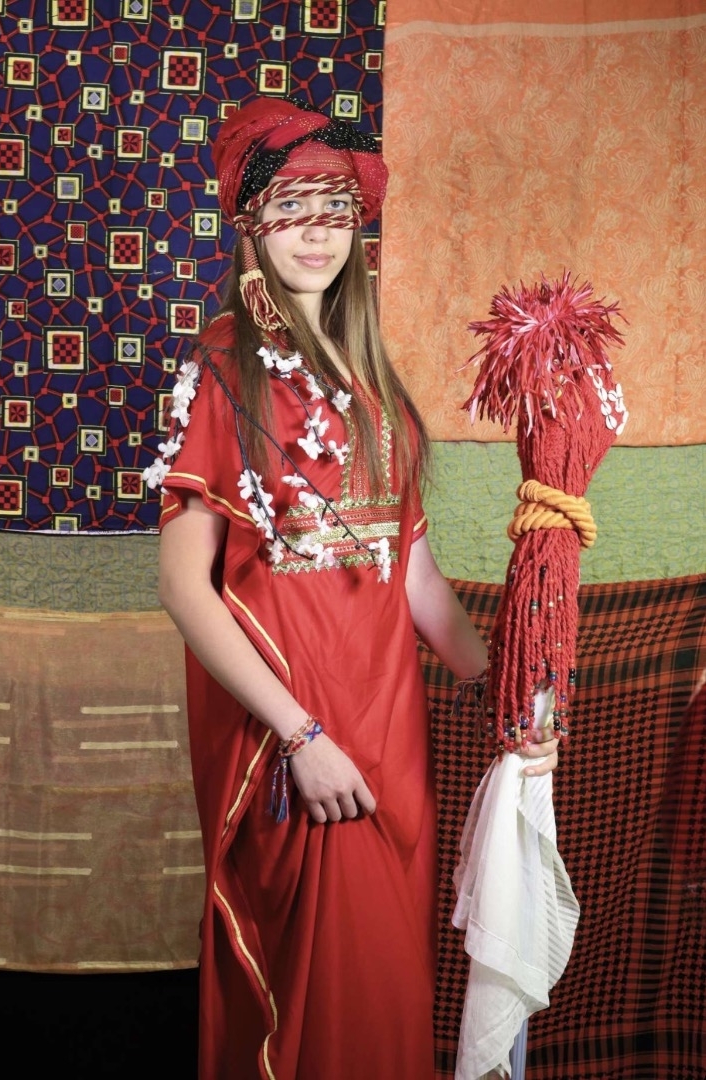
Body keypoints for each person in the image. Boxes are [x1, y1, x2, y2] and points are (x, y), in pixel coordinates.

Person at [148, 95, 559, 1080]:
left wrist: (503, 693)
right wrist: (302, 738)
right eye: (289, 209)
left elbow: (409, 571)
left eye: (333, 210)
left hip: (389, 736)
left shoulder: (370, 379)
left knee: (382, 990)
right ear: (248, 225)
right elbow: (183, 588)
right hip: (294, 739)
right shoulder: (222, 366)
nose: (315, 232)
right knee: (312, 1002)